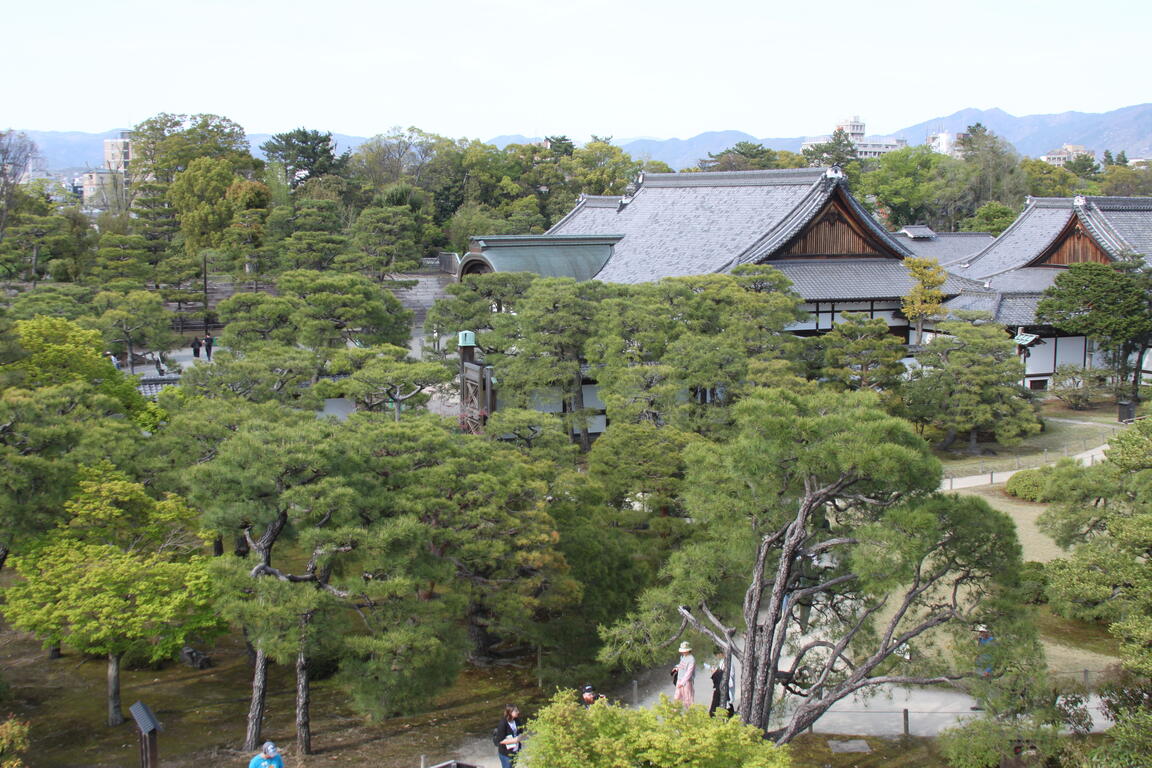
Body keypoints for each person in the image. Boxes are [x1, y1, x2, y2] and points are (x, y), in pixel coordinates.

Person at [705, 649, 734, 716]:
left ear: (721, 653)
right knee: (719, 704)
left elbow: (729, 675)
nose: (717, 656)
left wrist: (718, 672)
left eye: (717, 655)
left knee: (727, 703)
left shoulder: (729, 663)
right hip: (719, 686)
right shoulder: (722, 661)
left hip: (725, 687)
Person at [672, 641, 696, 707]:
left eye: (684, 651)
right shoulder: (683, 657)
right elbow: (681, 665)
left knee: (688, 700)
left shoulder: (691, 659)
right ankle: (674, 713)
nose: (683, 652)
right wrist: (676, 668)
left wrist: (682, 683)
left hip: (687, 682)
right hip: (679, 679)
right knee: (677, 697)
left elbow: (689, 672)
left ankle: (690, 714)